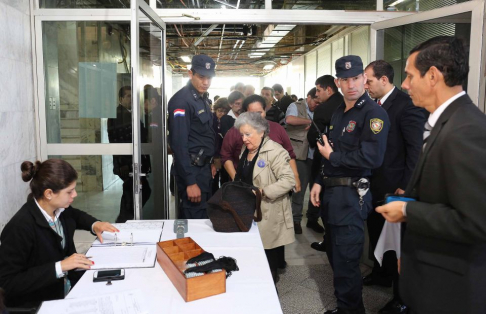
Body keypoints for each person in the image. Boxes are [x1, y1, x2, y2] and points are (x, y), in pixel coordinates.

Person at [376, 36, 486, 314]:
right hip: (432, 274)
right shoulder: (445, 121)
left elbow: (475, 222)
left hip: (451, 289)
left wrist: (407, 211)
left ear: (433, 76)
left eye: (411, 76)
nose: (404, 85)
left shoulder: (466, 130)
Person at [310, 55, 390, 314]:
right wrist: (319, 181)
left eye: (356, 78)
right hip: (332, 195)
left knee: (346, 263)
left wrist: (332, 157)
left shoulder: (374, 113)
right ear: (338, 82)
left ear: (364, 79)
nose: (351, 84)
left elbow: (372, 157)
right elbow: (328, 151)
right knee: (336, 258)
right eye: (345, 79)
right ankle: (347, 307)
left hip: (351, 196)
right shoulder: (337, 112)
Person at [0, 159, 118, 308]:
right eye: (69, 191)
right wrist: (60, 266)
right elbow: (9, 282)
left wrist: (95, 225)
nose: (74, 194)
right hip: (41, 303)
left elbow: (75, 215)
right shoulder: (20, 227)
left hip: (69, 288)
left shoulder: (59, 209)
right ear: (49, 193)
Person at [363, 60, 425, 314]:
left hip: (396, 187)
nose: (365, 85)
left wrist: (406, 186)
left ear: (384, 80)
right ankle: (381, 273)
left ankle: (401, 298)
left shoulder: (405, 105)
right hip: (375, 184)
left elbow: (415, 149)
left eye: (368, 80)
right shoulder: (372, 105)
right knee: (377, 231)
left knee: (398, 243)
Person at [234, 112, 295, 282]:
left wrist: (263, 192)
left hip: (268, 210)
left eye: (248, 134)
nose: (244, 139)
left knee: (268, 256)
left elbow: (289, 180)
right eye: (242, 134)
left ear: (261, 132)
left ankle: (270, 292)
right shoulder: (246, 150)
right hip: (248, 210)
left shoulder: (275, 151)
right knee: (252, 253)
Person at [168, 54, 217, 219]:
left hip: (203, 169)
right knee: (194, 220)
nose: (206, 82)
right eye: (201, 77)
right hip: (192, 171)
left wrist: (210, 161)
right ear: (190, 74)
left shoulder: (201, 98)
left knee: (204, 218)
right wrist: (190, 182)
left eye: (209, 78)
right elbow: (179, 144)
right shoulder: (182, 101)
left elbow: (204, 135)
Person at [221, 95, 301, 194]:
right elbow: (226, 155)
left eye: (260, 113)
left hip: (275, 187)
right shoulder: (236, 131)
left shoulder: (277, 129)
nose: (257, 117)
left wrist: (295, 176)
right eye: (252, 114)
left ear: (265, 110)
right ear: (245, 113)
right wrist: (237, 180)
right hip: (244, 187)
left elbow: (289, 154)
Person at [307, 75, 343, 241]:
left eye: (319, 90)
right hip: (343, 161)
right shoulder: (346, 104)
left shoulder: (323, 108)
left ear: (329, 90)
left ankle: (328, 240)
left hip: (324, 160)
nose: (317, 94)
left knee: (322, 198)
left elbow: (313, 136)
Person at [108, 86, 151, 223]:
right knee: (132, 194)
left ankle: (125, 221)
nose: (131, 99)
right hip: (127, 164)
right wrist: (125, 164)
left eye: (132, 97)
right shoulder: (120, 115)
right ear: (121, 99)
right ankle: (123, 223)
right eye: (128, 96)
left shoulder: (126, 113)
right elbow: (120, 140)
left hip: (130, 163)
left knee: (131, 194)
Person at [285, 87, 320, 234]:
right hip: (300, 154)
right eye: (315, 102)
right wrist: (311, 121)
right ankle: (296, 220)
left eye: (319, 103)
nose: (316, 105)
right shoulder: (295, 106)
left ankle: (313, 219)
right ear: (309, 97)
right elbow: (289, 119)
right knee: (299, 188)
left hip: (316, 154)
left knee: (316, 188)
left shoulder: (321, 108)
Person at [211, 97, 230, 194]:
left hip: (225, 154)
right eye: (219, 111)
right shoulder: (211, 119)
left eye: (224, 111)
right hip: (215, 155)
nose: (221, 114)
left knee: (225, 177)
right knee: (214, 177)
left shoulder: (228, 121)